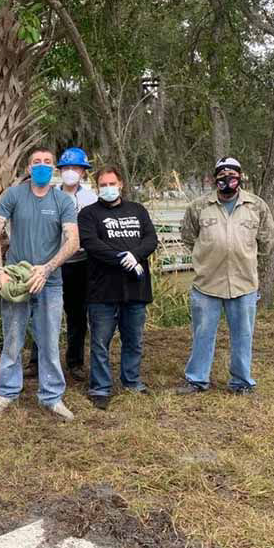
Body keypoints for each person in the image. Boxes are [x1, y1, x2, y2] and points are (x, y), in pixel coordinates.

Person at [0, 146, 80, 422]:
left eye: (47, 162)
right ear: (28, 168)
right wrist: (0, 270)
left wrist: (47, 268)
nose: (42, 166)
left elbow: (73, 241)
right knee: (13, 339)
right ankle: (7, 391)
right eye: (36, 162)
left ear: (54, 169)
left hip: (49, 283)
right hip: (16, 280)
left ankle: (51, 396)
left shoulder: (62, 200)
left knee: (50, 341)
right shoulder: (14, 195)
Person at [178, 157, 274, 395]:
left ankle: (241, 382)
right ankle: (197, 380)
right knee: (202, 334)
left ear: (240, 177)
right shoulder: (199, 207)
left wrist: (243, 255)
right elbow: (189, 238)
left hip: (244, 284)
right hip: (207, 284)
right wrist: (209, 255)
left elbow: (267, 241)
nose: (227, 179)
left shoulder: (256, 206)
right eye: (222, 175)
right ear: (215, 178)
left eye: (232, 175)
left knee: (243, 335)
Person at [78, 166, 157, 410]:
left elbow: (151, 238)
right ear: (97, 186)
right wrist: (122, 257)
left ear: (120, 184)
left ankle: (132, 381)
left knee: (133, 339)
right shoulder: (88, 214)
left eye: (112, 183)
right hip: (102, 290)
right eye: (103, 184)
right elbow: (91, 243)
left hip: (136, 287)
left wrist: (136, 254)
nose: (108, 188)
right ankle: (100, 387)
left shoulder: (137, 210)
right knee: (101, 342)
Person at [24, 147, 97, 381]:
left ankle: (75, 362)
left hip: (80, 264)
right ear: (59, 171)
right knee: (43, 313)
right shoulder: (49, 195)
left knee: (77, 315)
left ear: (83, 172)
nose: (71, 172)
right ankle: (37, 360)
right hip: (52, 264)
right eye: (66, 168)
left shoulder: (91, 198)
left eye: (76, 168)